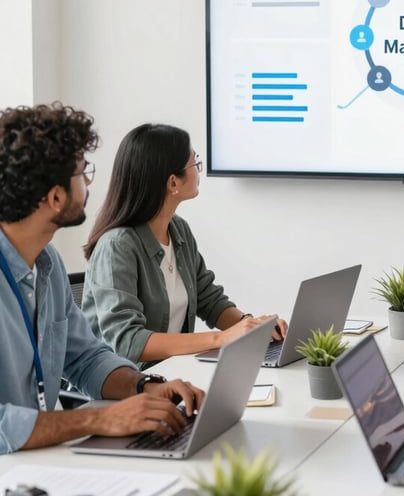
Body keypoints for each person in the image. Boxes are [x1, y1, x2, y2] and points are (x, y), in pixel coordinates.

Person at [0, 103, 204, 454]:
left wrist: (146, 387)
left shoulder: (47, 262)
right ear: (56, 197)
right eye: (83, 173)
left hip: (36, 460)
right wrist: (98, 420)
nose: (90, 182)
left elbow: (86, 359)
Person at [82, 124, 287, 370]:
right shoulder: (117, 247)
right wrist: (221, 338)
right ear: (173, 182)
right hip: (128, 381)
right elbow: (127, 341)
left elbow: (209, 300)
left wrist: (252, 327)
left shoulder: (178, 230)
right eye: (194, 163)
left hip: (172, 372)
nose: (199, 170)